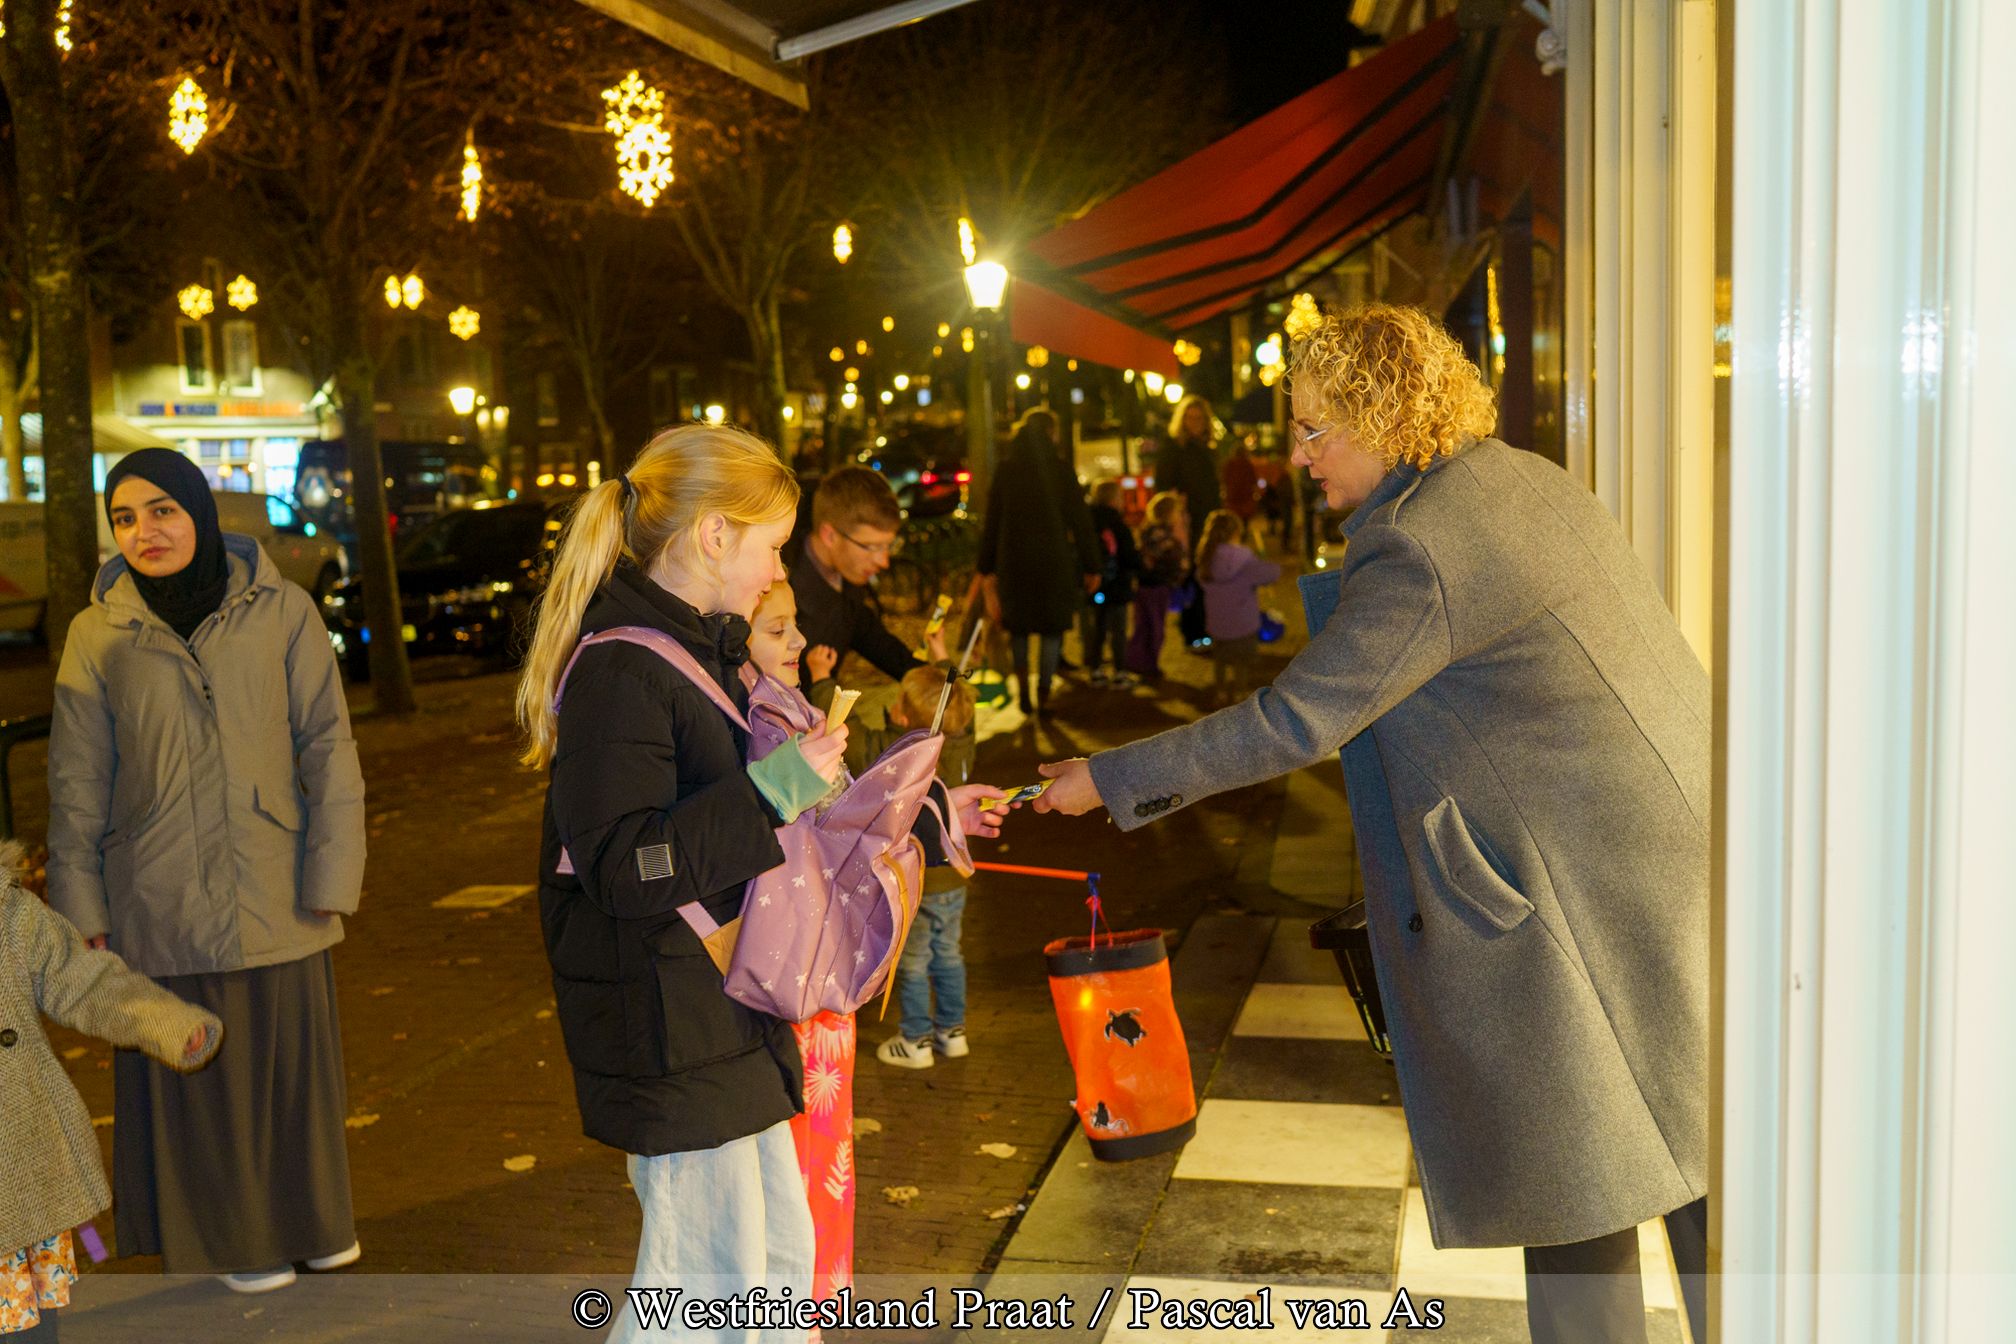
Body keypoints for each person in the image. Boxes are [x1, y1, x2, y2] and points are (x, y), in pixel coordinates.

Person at [1035, 304, 1710, 1344]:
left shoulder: (1423, 547)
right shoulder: (1523, 479)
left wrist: (1109, 779)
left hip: (1572, 881)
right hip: (1652, 852)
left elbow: (1294, 719)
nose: (1297, 456)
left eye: (1317, 431)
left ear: (1394, 420)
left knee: (1578, 1165)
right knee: (1694, 1153)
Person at [519, 425, 847, 1342]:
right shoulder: (623, 668)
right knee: (707, 1288)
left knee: (768, 1267)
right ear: (713, 536)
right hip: (673, 1021)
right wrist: (780, 789)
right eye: (772, 544)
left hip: (715, 1013)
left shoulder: (702, 648)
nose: (777, 566)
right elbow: (626, 864)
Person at [45, 448, 367, 1295]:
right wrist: (81, 907)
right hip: (159, 887)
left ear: (197, 511)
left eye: (161, 511)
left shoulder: (283, 610)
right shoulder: (96, 634)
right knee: (203, 1075)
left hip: (276, 875)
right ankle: (234, 1239)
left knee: (292, 1067)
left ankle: (315, 1222)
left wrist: (332, 877)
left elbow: (328, 749)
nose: (143, 531)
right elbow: (77, 783)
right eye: (124, 517)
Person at [741, 581, 1005, 1304]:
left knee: (814, 1168)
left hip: (813, 984)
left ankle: (805, 1303)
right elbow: (836, 839)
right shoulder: (764, 723)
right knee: (801, 1176)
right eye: (778, 630)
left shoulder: (785, 715)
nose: (799, 642)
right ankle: (800, 1307)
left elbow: (847, 827)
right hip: (801, 987)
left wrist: (938, 809)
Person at [2, 855, 222, 1340]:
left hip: (17, 1181)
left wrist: (165, 1022)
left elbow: (88, 983)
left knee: (27, 1332)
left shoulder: (12, 917)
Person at [846, 666, 981, 1069]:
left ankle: (916, 1039)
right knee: (948, 952)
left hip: (913, 877)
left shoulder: (897, 749)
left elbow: (854, 745)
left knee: (913, 958)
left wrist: (821, 680)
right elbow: (958, 716)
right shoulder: (961, 746)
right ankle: (953, 1031)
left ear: (903, 714)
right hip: (952, 879)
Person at [788, 466, 946, 712]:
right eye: (871, 547)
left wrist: (927, 678)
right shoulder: (782, 591)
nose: (883, 561)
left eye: (888, 546)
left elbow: (868, 633)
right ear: (830, 536)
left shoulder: (845, 575)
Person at [976, 409, 1100, 719]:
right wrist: (1092, 564)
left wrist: (985, 566)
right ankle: (1044, 693)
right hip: (1053, 560)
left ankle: (1024, 693)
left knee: (1018, 629)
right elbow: (1080, 520)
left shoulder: (1006, 470)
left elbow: (993, 520)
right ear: (1051, 433)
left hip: (1013, 562)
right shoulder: (1059, 469)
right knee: (1051, 630)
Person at [1193, 509, 1281, 705]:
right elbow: (1269, 575)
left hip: (1217, 621)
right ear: (1236, 532)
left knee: (1221, 659)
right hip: (1243, 621)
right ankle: (1240, 692)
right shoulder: (1243, 558)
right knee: (1241, 661)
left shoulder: (1206, 557)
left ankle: (1221, 692)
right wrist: (1271, 566)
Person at [1153, 394, 1222, 647]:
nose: (1195, 422)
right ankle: (1193, 630)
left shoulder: (1207, 448)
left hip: (1207, 520)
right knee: (1191, 574)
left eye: (1199, 418)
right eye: (1190, 417)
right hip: (1187, 521)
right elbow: (1163, 487)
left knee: (1206, 572)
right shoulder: (1174, 448)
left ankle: (1206, 626)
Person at [1080, 479, 1141, 688]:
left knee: (1097, 628)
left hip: (1096, 586)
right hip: (1118, 587)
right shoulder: (1117, 524)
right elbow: (1128, 556)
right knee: (1118, 631)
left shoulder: (1088, 522)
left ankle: (1096, 669)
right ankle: (1120, 671)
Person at [1124, 492, 1189, 681]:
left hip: (1144, 586)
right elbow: (1174, 560)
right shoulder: (1164, 535)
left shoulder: (1146, 531)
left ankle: (1136, 660)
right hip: (1157, 586)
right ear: (1170, 513)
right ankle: (1149, 665)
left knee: (1142, 625)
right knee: (1155, 627)